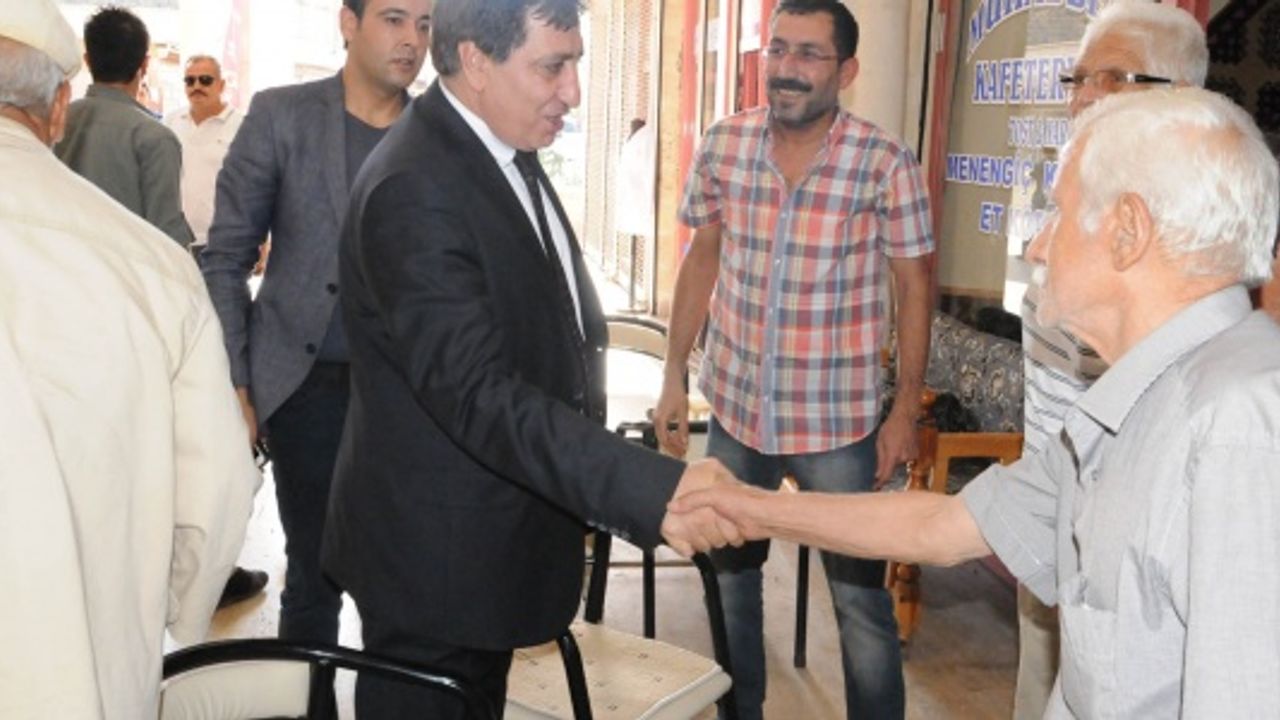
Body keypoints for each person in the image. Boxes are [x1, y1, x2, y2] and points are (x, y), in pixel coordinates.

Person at [675, 86, 1280, 718]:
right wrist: (748, 507)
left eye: (1059, 213)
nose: (1037, 246)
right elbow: (940, 528)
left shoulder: (1240, 430)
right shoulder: (1135, 406)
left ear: (1128, 231)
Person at [321, 0, 742, 716]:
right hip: (435, 568)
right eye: (553, 66)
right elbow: (477, 393)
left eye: (575, 63)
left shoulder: (497, 149)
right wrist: (647, 488)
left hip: (485, 552)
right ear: (476, 62)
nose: (572, 91)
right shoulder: (415, 187)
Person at [651, 1, 933, 717]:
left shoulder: (884, 161)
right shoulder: (724, 144)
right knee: (730, 587)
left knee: (861, 604)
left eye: (809, 54)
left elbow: (914, 286)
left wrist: (904, 409)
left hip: (838, 425)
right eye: (778, 49)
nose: (787, 68)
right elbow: (702, 258)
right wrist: (674, 375)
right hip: (738, 410)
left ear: (847, 70)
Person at [0, 1, 260, 717]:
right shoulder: (155, 269)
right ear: (59, 107)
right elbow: (215, 487)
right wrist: (176, 607)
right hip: (82, 671)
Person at [201, 0, 433, 645]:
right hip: (306, 387)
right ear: (348, 23)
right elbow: (226, 257)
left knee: (405, 575)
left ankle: (394, 692)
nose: (412, 40)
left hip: (410, 393)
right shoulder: (283, 115)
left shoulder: (439, 132)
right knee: (314, 571)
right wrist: (238, 382)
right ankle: (309, 693)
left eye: (425, 24)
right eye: (394, 19)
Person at [1013, 4, 1207, 716]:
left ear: (1181, 93)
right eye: (1079, 77)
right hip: (1046, 519)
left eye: (1116, 77)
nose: (1087, 96)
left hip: (1137, 559)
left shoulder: (1204, 225)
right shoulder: (1073, 197)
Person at [53, 5, 194, 248]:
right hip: (128, 268)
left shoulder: (53, 122)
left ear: (87, 60)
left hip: (57, 263)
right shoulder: (155, 138)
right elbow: (167, 236)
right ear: (144, 65)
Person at [165, 55, 244, 260]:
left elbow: (255, 184)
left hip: (224, 242)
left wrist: (263, 237)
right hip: (175, 240)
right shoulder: (170, 122)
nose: (197, 86)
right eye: (190, 81)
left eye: (205, 80)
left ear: (221, 85)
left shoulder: (242, 126)